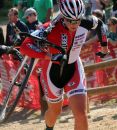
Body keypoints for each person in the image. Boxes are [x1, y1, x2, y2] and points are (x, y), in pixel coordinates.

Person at [20, 0, 108, 130]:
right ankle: (48, 128)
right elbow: (25, 46)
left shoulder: (86, 21)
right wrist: (48, 56)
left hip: (73, 68)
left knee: (81, 114)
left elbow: (100, 24)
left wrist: (105, 46)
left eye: (78, 20)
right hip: (52, 72)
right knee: (55, 112)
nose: (75, 24)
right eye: (70, 21)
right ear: (62, 17)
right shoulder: (50, 28)